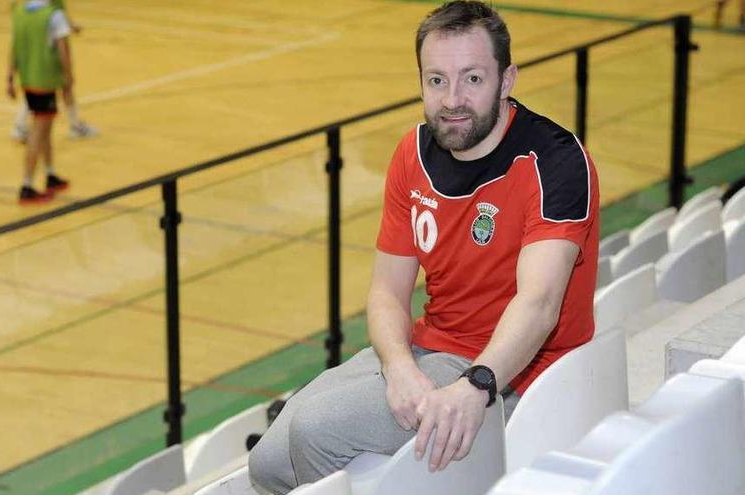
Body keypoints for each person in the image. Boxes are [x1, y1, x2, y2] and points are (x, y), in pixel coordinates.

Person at [248, 2, 599, 493]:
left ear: (508, 78)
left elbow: (539, 305)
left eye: (472, 79)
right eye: (437, 81)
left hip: (515, 371)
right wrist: (399, 369)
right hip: (431, 346)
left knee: (314, 434)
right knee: (266, 465)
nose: (452, 99)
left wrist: (476, 385)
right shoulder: (412, 154)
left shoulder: (555, 161)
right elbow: (387, 293)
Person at [7, 0, 72, 204]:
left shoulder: (19, 12)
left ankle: (50, 174)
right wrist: (68, 80)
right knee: (38, 130)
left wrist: (9, 77)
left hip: (27, 80)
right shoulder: (54, 15)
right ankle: (26, 185)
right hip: (45, 80)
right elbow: (63, 51)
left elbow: (14, 47)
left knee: (44, 128)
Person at [10, 0, 98, 143]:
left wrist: (69, 25)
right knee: (49, 88)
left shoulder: (27, 10)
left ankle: (20, 126)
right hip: (47, 49)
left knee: (36, 88)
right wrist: (68, 71)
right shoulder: (46, 12)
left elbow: (59, 11)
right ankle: (74, 126)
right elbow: (57, 17)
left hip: (35, 47)